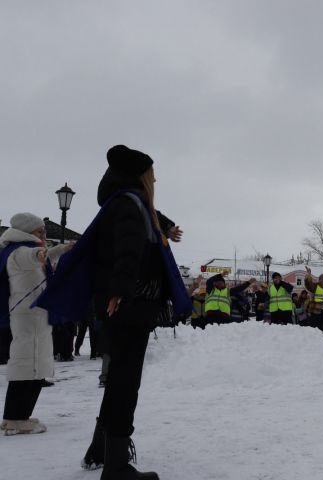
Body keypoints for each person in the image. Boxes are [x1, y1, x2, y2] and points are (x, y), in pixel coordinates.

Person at [80, 145, 186, 479]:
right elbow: (127, 250)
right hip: (132, 304)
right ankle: (115, 467)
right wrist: (121, 292)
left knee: (119, 380)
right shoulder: (129, 205)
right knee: (126, 382)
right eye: (151, 172)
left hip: (127, 303)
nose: (155, 178)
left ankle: (101, 450)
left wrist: (164, 226)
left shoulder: (126, 202)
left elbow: (142, 228)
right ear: (140, 175)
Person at [1, 213, 70, 435]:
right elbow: (35, 256)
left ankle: (21, 415)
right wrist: (47, 252)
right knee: (25, 361)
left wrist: (61, 250)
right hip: (26, 314)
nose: (44, 235)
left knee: (35, 364)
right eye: (40, 231)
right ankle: (14, 418)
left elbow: (44, 256)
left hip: (35, 313)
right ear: (26, 231)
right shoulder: (18, 251)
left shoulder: (16, 250)